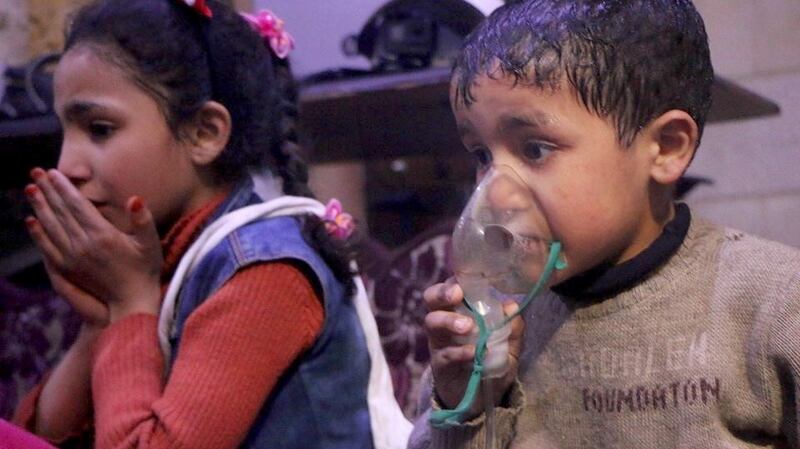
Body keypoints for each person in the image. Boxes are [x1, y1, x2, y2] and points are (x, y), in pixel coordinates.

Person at [12, 0, 410, 448]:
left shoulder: (265, 272)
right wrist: (100, 321)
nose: (66, 166)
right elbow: (29, 442)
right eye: (64, 133)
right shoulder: (154, 259)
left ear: (204, 133)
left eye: (100, 129)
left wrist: (128, 306)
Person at [410, 0, 800, 448]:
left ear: (666, 148)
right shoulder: (495, 318)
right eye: (481, 156)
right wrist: (466, 402)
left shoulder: (773, 304)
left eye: (535, 149)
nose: (494, 193)